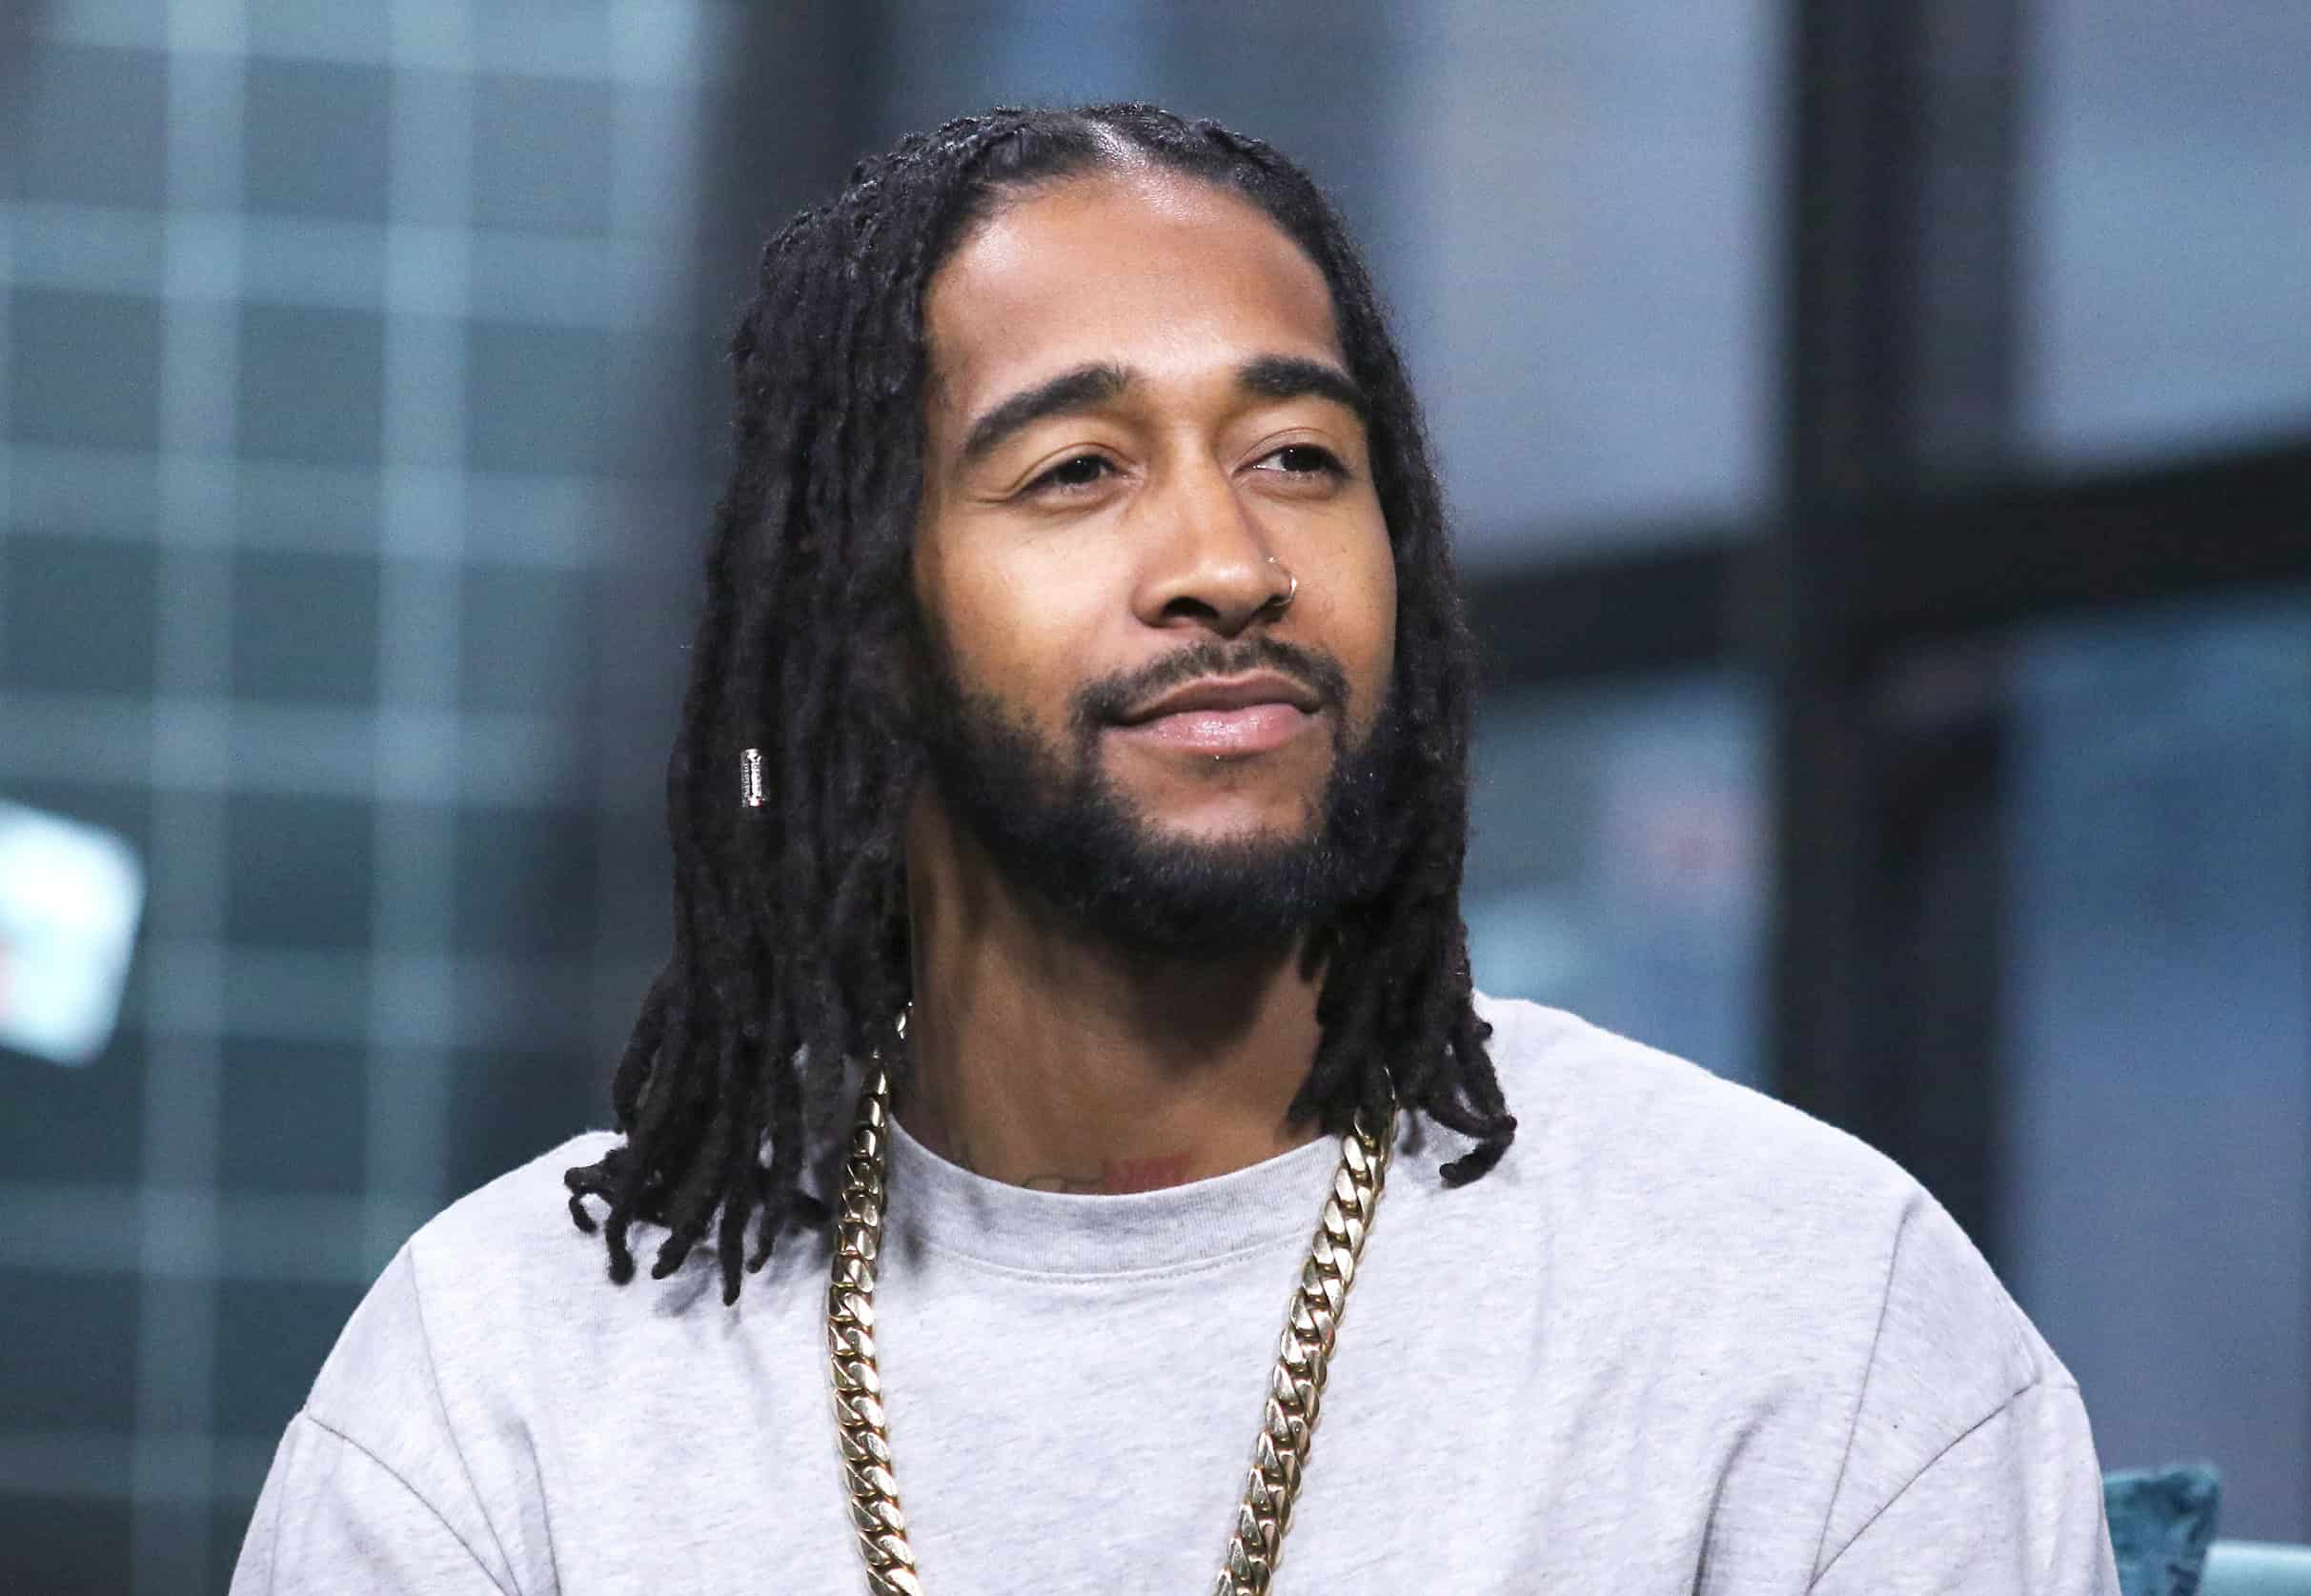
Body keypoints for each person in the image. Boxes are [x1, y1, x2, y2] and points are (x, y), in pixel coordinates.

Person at [231, 104, 2119, 1594]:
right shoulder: (515, 1371)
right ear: (866, 619)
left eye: (1299, 458)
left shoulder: (1803, 1311)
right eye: (1077, 472)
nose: (1229, 560)